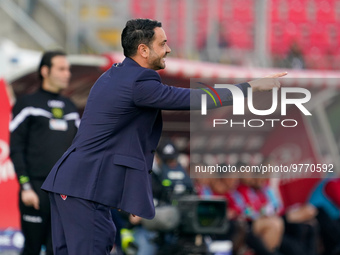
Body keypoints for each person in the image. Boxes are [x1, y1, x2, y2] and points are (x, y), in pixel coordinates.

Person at [41, 18, 286, 255]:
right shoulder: (140, 80)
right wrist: (250, 87)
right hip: (84, 188)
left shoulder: (116, 74)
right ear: (143, 50)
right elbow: (195, 98)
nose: (168, 49)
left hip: (71, 184)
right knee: (97, 243)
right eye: (163, 43)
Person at [10, 50, 79, 255]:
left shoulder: (71, 107)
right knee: (31, 249)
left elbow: (79, 151)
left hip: (63, 193)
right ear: (45, 71)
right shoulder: (27, 104)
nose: (67, 74)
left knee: (57, 250)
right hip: (35, 190)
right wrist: (25, 186)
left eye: (68, 69)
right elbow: (16, 148)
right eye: (61, 69)